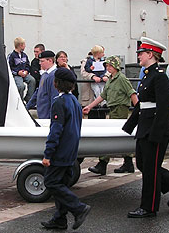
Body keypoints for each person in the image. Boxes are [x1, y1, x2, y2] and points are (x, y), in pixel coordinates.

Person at [122, 37, 169, 218]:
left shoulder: (159, 76)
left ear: (150, 54)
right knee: (142, 164)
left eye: (141, 54)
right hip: (145, 127)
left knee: (151, 169)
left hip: (155, 129)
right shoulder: (148, 75)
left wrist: (156, 134)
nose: (139, 57)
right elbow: (142, 104)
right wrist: (129, 126)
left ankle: (149, 207)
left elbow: (163, 107)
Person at [41, 67, 91, 230]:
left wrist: (48, 154)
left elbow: (56, 130)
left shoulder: (59, 102)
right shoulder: (75, 102)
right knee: (61, 182)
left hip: (60, 151)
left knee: (51, 182)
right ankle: (60, 218)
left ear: (57, 84)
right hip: (71, 150)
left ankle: (78, 208)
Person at [83, 56, 139, 175]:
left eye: (109, 66)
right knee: (119, 135)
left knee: (114, 136)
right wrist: (90, 107)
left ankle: (103, 163)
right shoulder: (111, 79)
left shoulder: (122, 79)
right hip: (113, 109)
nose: (107, 68)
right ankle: (127, 162)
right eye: (106, 66)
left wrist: (138, 111)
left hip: (120, 109)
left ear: (115, 67)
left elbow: (132, 94)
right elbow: (103, 96)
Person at [27, 50, 59, 119]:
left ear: (50, 61)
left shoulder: (53, 76)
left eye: (42, 61)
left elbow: (54, 97)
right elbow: (38, 92)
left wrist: (52, 117)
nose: (40, 63)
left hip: (47, 117)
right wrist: (27, 106)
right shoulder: (45, 74)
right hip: (42, 114)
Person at [8, 37, 36, 102]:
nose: (25, 46)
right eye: (24, 45)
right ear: (20, 45)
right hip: (16, 75)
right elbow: (9, 67)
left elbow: (27, 65)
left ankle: (28, 99)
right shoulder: (11, 55)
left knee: (32, 81)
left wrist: (26, 71)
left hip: (24, 73)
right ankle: (19, 101)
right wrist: (17, 72)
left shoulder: (24, 55)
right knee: (21, 86)